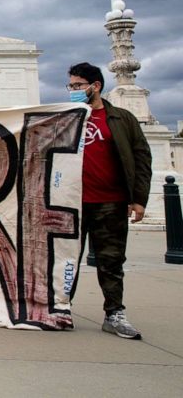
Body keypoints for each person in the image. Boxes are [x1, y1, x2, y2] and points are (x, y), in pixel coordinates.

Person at [67, 62, 152, 339]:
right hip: (71, 203)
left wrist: (138, 200)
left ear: (96, 86)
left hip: (111, 202)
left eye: (78, 86)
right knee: (65, 260)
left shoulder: (122, 119)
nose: (73, 91)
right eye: (71, 86)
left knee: (111, 261)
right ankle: (61, 309)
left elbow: (141, 159)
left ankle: (114, 313)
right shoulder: (67, 117)